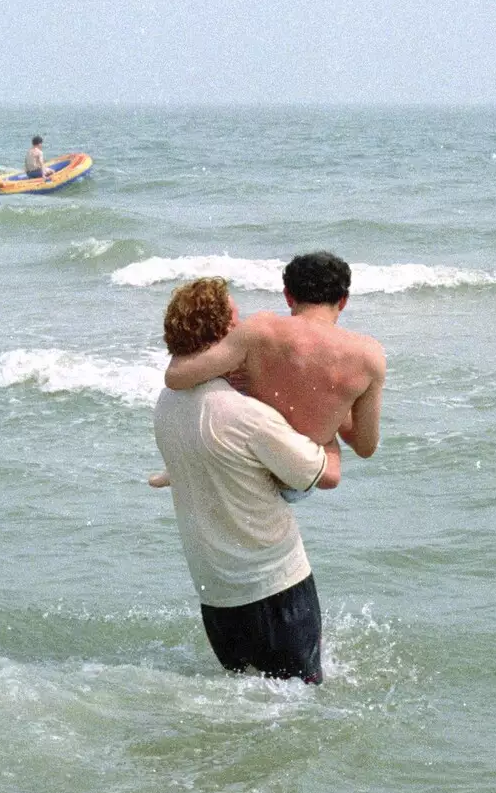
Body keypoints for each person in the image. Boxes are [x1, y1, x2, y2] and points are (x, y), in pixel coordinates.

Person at [153, 277, 341, 684]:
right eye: (235, 320)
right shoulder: (243, 416)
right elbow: (320, 474)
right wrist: (332, 424)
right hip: (276, 590)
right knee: (303, 706)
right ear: (222, 333)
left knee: (245, 706)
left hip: (216, 599)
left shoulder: (166, 405)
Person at [164, 251, 385, 460]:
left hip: (252, 457)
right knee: (329, 460)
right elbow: (365, 447)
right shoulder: (369, 355)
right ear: (344, 300)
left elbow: (176, 378)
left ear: (288, 296)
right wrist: (333, 407)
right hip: (302, 473)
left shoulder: (261, 330)